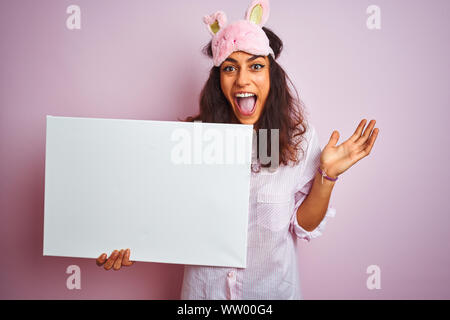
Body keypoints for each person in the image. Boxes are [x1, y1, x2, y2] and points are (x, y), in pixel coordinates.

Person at [95, 0, 379, 299]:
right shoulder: (191, 140)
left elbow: (302, 225)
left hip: (271, 294)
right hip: (205, 296)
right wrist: (124, 240)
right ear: (219, 81)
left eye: (256, 66)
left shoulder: (299, 139)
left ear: (272, 76)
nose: (242, 79)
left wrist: (327, 176)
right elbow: (161, 213)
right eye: (230, 68)